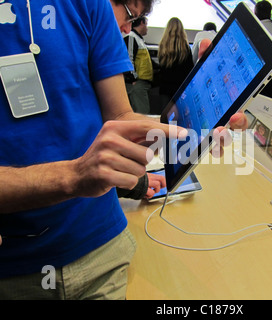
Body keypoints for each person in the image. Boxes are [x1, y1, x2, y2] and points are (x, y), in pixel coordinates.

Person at [0, 0, 247, 300]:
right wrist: (74, 176)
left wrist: (186, 133)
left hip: (103, 251)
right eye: (131, 15)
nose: (129, 26)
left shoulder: (89, 5)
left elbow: (119, 117)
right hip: (14, 271)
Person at [158, 17, 194, 109]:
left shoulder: (162, 46)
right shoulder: (185, 48)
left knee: (167, 118)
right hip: (180, 90)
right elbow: (189, 70)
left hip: (165, 88)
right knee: (179, 118)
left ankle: (169, 124)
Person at [124, 16, 153, 114]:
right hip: (137, 83)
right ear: (141, 23)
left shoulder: (139, 39)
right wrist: (133, 78)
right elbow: (129, 58)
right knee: (142, 113)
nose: (147, 28)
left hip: (142, 82)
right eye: (146, 24)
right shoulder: (131, 37)